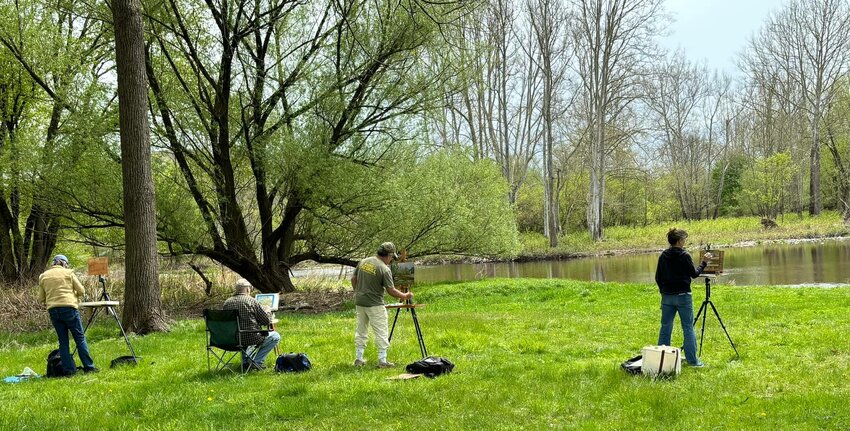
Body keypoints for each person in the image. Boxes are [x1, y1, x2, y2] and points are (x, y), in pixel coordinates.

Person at [655, 228, 712, 367]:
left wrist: (664, 291)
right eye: (684, 239)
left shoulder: (663, 255)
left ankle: (662, 360)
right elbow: (694, 274)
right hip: (683, 296)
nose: (685, 241)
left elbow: (658, 277)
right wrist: (704, 262)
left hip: (667, 297)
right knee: (687, 327)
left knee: (665, 327)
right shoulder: (684, 255)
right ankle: (693, 361)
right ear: (679, 240)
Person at [351, 242, 413, 368]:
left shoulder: (363, 262)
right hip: (375, 304)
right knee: (381, 331)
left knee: (361, 329)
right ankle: (383, 361)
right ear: (388, 255)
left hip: (360, 302)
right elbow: (391, 291)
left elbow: (353, 279)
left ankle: (359, 358)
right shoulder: (384, 269)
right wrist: (405, 296)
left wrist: (357, 291)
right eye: (391, 258)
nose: (391, 261)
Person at [37, 254, 98, 376]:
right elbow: (81, 291)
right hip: (69, 308)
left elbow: (41, 299)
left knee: (63, 341)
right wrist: (73, 294)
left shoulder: (43, 276)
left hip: (53, 310)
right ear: (64, 263)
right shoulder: (69, 273)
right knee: (79, 338)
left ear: (54, 263)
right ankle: (89, 367)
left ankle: (68, 371)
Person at [222, 278, 281, 371]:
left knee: (242, 333)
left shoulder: (227, 302)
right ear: (248, 289)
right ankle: (256, 362)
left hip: (231, 339)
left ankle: (245, 362)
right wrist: (268, 311)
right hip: (249, 338)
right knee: (275, 336)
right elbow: (266, 321)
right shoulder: (252, 301)